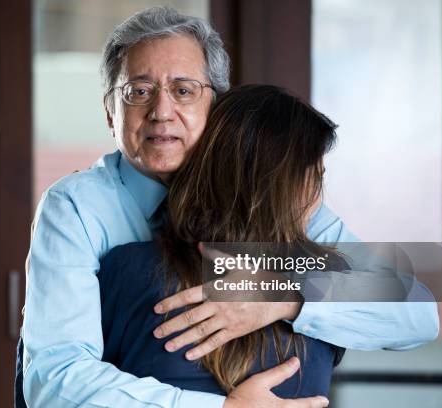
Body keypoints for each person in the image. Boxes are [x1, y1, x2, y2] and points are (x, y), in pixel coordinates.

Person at [18, 6, 439, 408]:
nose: (161, 112)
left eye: (183, 91)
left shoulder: (270, 198)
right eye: (139, 92)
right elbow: (55, 381)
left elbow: (416, 311)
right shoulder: (73, 207)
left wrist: (284, 295)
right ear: (110, 113)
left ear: (216, 108)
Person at [98, 84, 350, 400]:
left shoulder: (128, 269)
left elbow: (49, 392)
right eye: (318, 177)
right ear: (296, 188)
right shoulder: (331, 282)